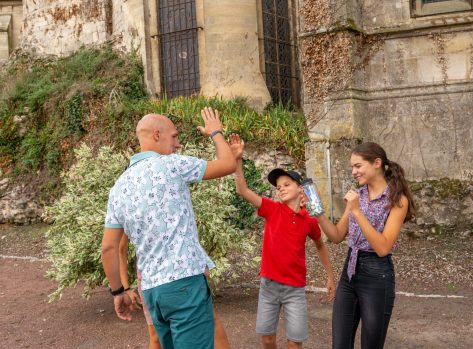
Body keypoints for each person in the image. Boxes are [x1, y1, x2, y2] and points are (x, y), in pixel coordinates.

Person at [101, 107, 236, 349]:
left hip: (152, 292)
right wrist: (215, 132)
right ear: (156, 135)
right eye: (174, 136)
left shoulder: (118, 187)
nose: (178, 143)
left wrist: (117, 292)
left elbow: (109, 248)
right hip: (185, 283)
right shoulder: (172, 165)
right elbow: (228, 164)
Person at [228, 134, 335, 349]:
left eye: (286, 184)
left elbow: (320, 244)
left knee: (294, 342)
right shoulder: (271, 209)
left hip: (294, 289)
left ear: (300, 188)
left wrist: (330, 275)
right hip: (269, 286)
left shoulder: (310, 220)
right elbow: (243, 190)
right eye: (278, 187)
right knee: (267, 338)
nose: (281, 188)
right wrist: (237, 160)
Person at [310, 142, 416, 349]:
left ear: (377, 163)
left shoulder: (397, 200)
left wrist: (357, 211)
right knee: (340, 344)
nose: (353, 172)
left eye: (358, 166)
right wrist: (317, 211)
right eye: (352, 167)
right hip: (349, 271)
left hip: (377, 275)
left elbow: (383, 247)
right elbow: (337, 235)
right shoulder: (358, 195)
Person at [118, 234, 231, 349]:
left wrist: (201, 262)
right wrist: (126, 288)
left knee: (212, 322)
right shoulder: (132, 217)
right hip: (153, 281)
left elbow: (184, 233)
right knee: (155, 336)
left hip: (180, 274)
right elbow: (120, 249)